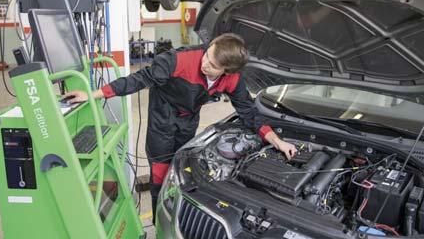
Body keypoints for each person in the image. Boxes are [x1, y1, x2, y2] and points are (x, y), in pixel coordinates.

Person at [65, 33, 297, 221]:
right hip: (162, 117)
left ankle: (178, 216)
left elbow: (248, 111)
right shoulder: (177, 60)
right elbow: (137, 80)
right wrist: (93, 94)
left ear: (228, 71)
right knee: (159, 174)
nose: (205, 63)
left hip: (189, 119)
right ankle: (159, 221)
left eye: (213, 65)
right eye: (207, 55)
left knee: (182, 169)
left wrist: (276, 141)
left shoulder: (233, 79)